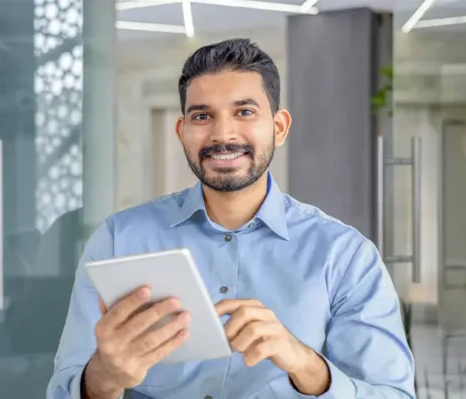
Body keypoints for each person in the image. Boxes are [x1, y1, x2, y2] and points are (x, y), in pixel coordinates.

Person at [46, 38, 416, 399]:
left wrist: (305, 365)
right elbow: (65, 387)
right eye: (202, 116)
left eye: (244, 112)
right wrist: (103, 378)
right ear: (183, 132)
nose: (222, 135)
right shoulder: (117, 240)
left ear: (279, 127)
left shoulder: (346, 256)